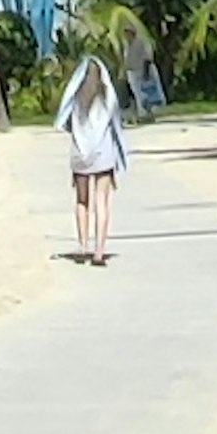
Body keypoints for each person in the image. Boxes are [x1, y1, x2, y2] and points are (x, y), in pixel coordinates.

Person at [57, 38, 127, 266]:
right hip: (103, 154)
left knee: (81, 201)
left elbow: (66, 123)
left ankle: (83, 246)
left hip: (80, 154)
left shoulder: (76, 99)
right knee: (102, 202)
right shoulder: (108, 98)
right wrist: (120, 157)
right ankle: (99, 252)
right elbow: (116, 126)